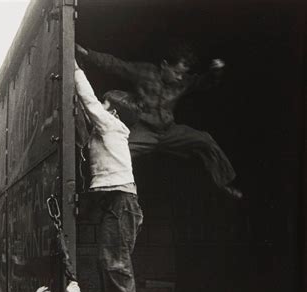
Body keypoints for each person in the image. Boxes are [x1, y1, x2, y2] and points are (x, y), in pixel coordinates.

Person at [76, 44, 242, 199]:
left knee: (205, 139)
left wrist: (215, 72)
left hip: (169, 131)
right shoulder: (145, 72)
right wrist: (87, 54)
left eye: (182, 74)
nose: (179, 77)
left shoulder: (183, 81)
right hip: (144, 131)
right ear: (164, 65)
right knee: (119, 151)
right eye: (176, 72)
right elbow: (115, 65)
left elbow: (203, 82)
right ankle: (94, 190)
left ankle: (225, 182)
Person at [75, 60, 143, 292]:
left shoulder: (112, 127)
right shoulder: (104, 131)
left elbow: (90, 103)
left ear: (113, 112)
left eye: (106, 105)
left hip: (121, 201)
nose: (100, 108)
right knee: (110, 263)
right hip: (117, 201)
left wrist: (75, 71)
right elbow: (86, 113)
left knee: (114, 265)